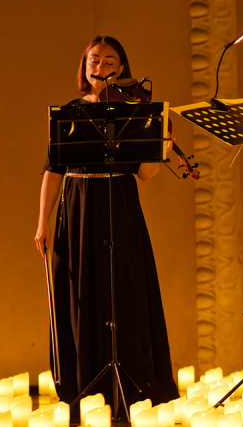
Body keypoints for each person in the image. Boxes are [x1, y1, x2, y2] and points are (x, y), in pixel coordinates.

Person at [35, 36, 179, 408]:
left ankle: (131, 384)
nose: (100, 67)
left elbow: (145, 174)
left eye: (109, 61)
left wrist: (160, 145)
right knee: (80, 294)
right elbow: (53, 169)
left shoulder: (135, 113)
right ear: (84, 65)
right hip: (78, 207)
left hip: (119, 204)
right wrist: (42, 223)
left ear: (122, 67)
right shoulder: (69, 113)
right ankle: (86, 387)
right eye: (94, 60)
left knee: (124, 288)